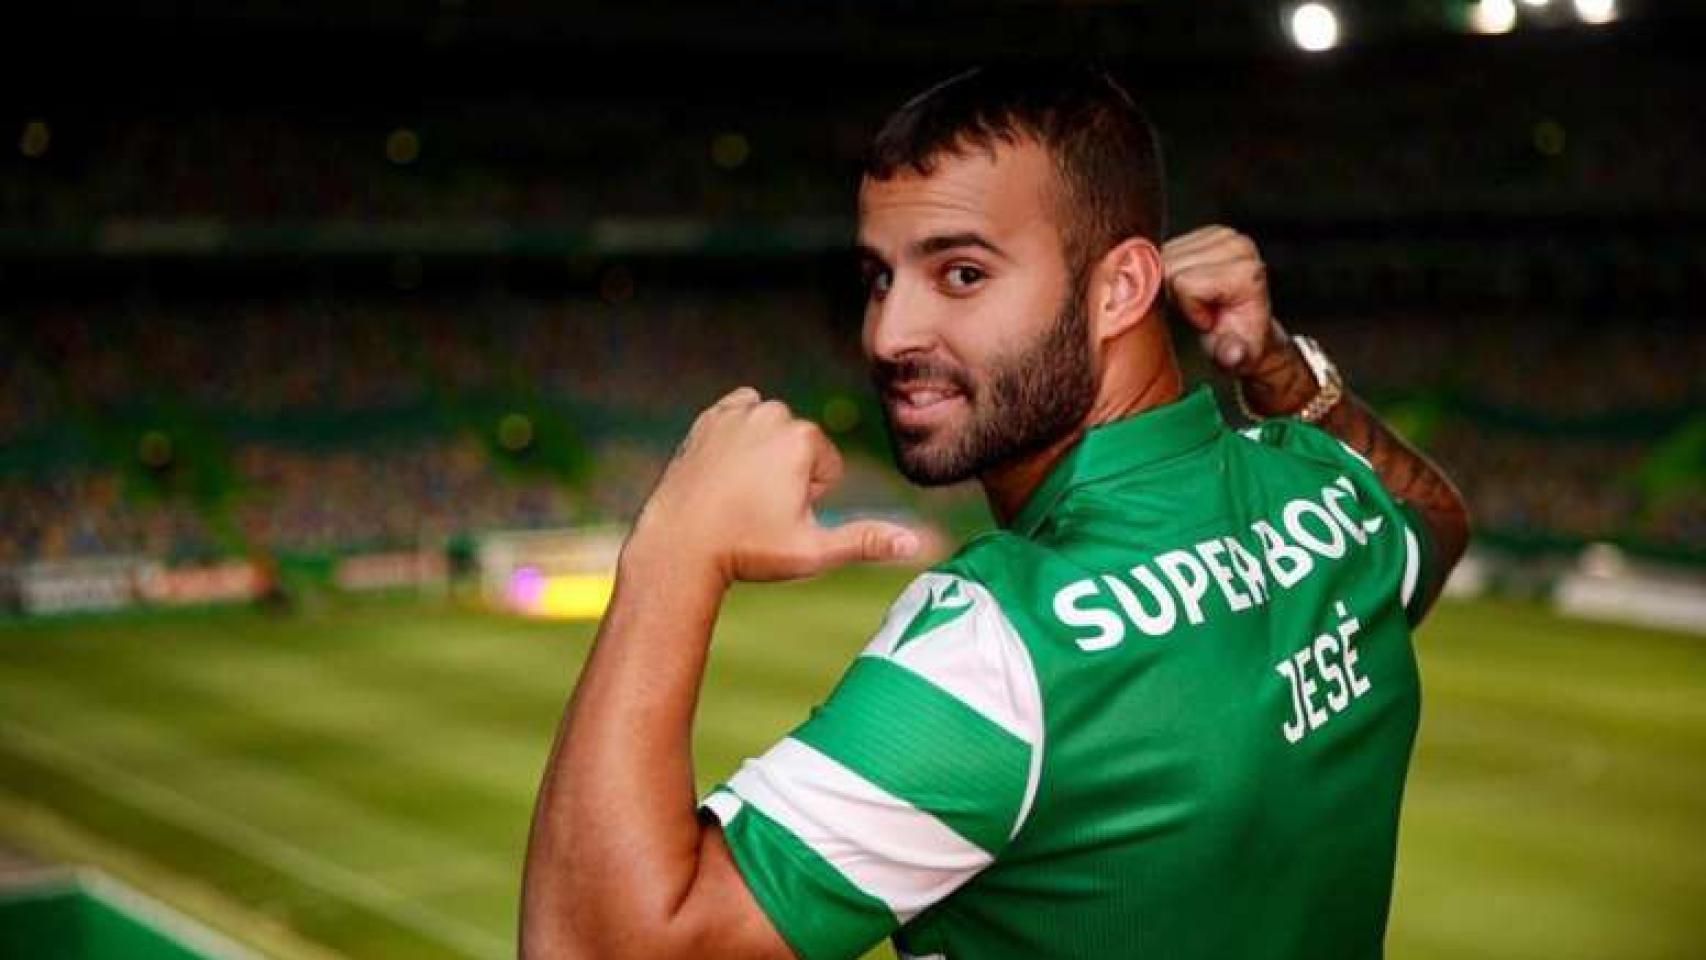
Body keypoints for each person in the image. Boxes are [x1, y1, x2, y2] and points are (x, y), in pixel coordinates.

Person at [521, 65, 1469, 960]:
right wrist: (1271, 362)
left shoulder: (999, 647)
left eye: (962, 274)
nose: (888, 334)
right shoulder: (1330, 498)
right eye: (879, 277)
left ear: (1122, 289)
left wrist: (674, 550)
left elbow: (587, 947)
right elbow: (1434, 516)